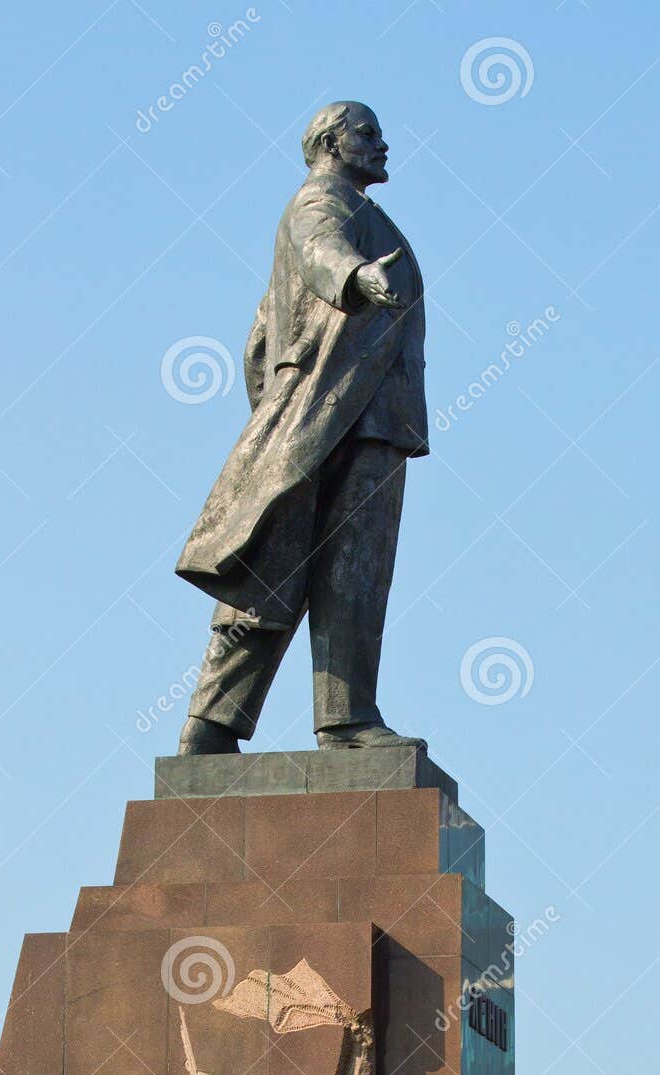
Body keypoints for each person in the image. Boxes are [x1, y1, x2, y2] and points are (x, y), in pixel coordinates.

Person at [174, 101, 428, 754]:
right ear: (327, 142)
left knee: (354, 575)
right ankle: (211, 725)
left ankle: (344, 719)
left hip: (372, 420)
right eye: (367, 133)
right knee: (270, 564)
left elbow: (260, 335)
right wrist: (355, 278)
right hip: (328, 412)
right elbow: (321, 252)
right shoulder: (319, 201)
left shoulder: (374, 217)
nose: (382, 143)